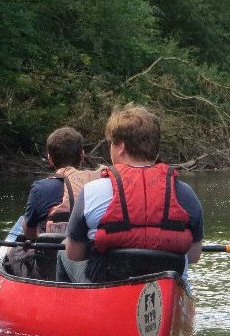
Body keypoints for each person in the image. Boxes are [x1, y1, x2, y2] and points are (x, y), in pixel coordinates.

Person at [61, 104, 204, 283]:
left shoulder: (92, 191)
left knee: (62, 251)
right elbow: (193, 255)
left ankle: (67, 305)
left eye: (111, 144)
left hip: (109, 291)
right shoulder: (185, 193)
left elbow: (74, 253)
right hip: (164, 291)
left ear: (120, 147)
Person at [6, 127, 102, 279]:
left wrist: (34, 230)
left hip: (47, 269)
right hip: (87, 269)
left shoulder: (40, 188)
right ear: (82, 155)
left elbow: (30, 234)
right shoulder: (99, 186)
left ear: (50, 158)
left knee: (13, 253)